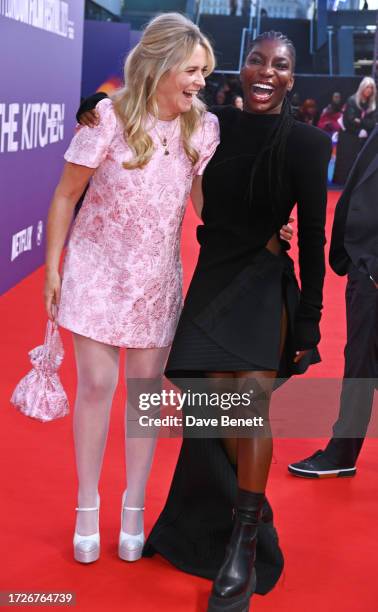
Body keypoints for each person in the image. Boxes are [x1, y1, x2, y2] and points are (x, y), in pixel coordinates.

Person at [142, 31, 331, 612]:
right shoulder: (209, 124)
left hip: (263, 282)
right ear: (241, 67)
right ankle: (231, 519)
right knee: (210, 404)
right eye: (257, 60)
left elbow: (316, 237)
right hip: (214, 277)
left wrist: (309, 324)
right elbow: (148, 107)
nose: (266, 72)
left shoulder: (307, 143)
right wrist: (96, 109)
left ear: (292, 78)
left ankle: (243, 547)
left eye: (280, 65)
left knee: (246, 401)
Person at [44, 12, 221, 565]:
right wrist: (53, 268)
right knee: (97, 385)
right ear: (160, 63)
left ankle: (135, 507)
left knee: (145, 401)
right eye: (191, 70)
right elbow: (65, 196)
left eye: (204, 72)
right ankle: (86, 504)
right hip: (96, 270)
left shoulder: (202, 127)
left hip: (155, 279)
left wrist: (260, 232)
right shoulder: (108, 118)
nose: (199, 81)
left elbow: (205, 209)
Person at [288, 125, 378, 479]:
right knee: (360, 362)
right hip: (362, 263)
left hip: (370, 266)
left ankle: (342, 451)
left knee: (361, 364)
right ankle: (344, 450)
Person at [333, 77, 377, 184]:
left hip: (363, 138)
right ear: (362, 87)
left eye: (371, 88)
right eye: (367, 87)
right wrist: (360, 128)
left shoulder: (372, 104)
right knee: (346, 161)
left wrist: (360, 121)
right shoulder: (352, 100)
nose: (369, 90)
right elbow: (349, 121)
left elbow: (373, 122)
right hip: (348, 135)